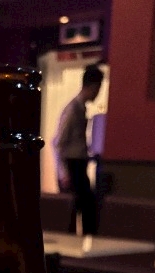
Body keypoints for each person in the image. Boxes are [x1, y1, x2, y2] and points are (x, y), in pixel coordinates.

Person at [52, 64, 104, 236]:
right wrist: (63, 172)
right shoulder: (72, 109)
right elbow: (58, 142)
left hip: (78, 165)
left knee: (86, 210)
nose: (98, 93)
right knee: (75, 213)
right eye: (98, 88)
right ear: (93, 86)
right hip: (71, 167)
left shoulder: (81, 109)